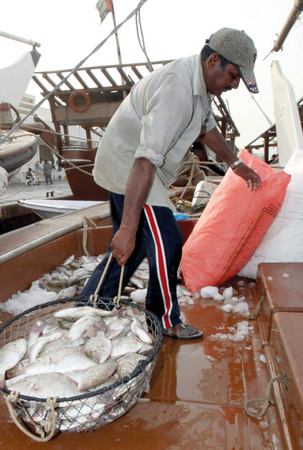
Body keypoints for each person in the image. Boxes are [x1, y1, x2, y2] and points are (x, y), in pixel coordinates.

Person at [79, 28, 264, 339]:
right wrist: (127, 228)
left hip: (140, 168)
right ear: (213, 61)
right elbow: (144, 161)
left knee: (132, 247)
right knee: (167, 241)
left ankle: (91, 304)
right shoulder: (177, 89)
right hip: (131, 167)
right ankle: (164, 320)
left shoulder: (201, 86)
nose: (234, 85)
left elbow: (207, 129)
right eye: (233, 76)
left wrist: (237, 165)